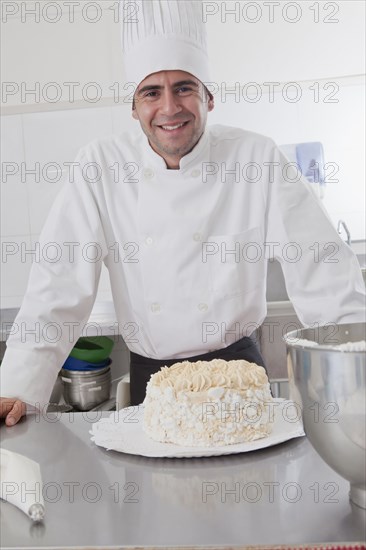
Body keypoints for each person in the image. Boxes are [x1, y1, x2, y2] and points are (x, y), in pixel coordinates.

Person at [1, 0, 365, 426]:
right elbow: (56, 286)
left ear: (209, 98)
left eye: (185, 88)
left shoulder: (256, 156)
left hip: (240, 379)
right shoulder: (99, 166)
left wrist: (359, 363)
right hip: (152, 385)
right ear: (134, 107)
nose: (170, 108)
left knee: (255, 489)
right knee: (156, 493)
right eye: (151, 92)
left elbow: (322, 268)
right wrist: (17, 387)